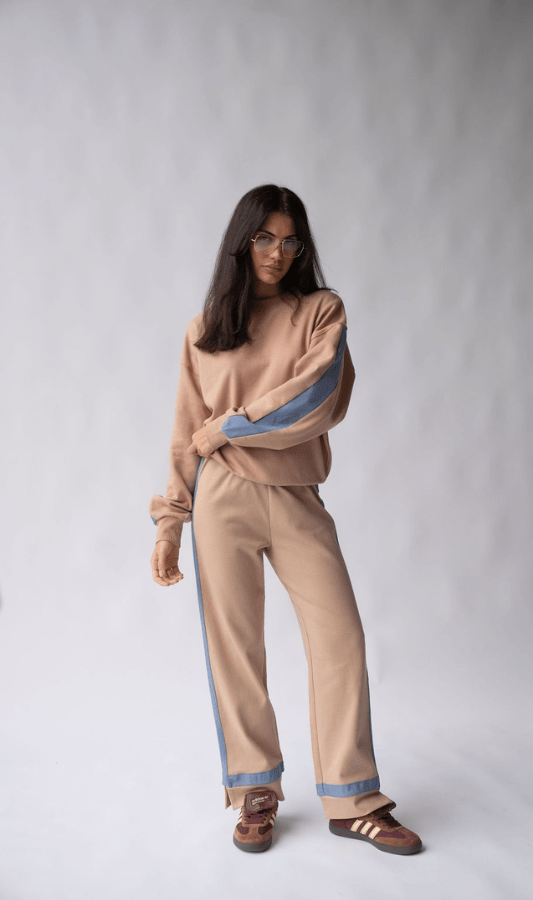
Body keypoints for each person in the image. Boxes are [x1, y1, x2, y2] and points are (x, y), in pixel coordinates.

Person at [149, 184, 422, 856]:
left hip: (297, 495)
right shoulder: (205, 329)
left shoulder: (320, 311)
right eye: (265, 238)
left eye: (290, 240)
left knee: (341, 639)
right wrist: (170, 521)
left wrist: (230, 427)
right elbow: (186, 429)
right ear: (242, 242)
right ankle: (255, 794)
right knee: (235, 648)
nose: (278, 252)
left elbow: (316, 397)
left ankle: (352, 799)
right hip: (221, 499)